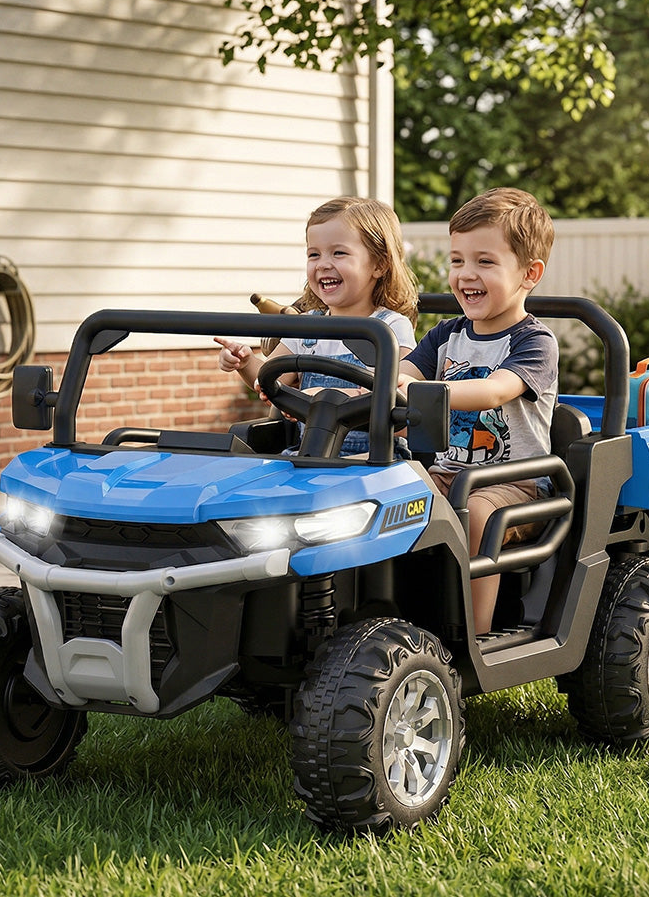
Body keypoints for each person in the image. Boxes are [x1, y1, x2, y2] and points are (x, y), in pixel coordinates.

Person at [398, 187, 557, 635]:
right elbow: (401, 374)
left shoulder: (534, 342)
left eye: (485, 262)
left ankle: (473, 635)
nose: (466, 274)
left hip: (517, 485)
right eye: (457, 261)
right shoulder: (446, 333)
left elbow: (492, 392)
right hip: (450, 471)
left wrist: (414, 389)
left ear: (529, 273)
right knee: (385, 492)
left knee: (478, 513)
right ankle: (396, 613)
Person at [216, 196, 417, 456]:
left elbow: (401, 393)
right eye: (314, 254)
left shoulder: (389, 328)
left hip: (374, 457)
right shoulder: (307, 326)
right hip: (309, 453)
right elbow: (268, 378)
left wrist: (325, 395)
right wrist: (244, 362)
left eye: (339, 253)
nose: (323, 264)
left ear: (379, 264)